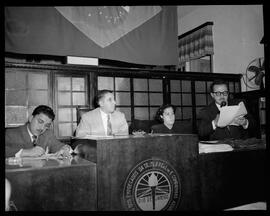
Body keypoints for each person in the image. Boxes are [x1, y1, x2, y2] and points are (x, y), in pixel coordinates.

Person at [5, 105, 71, 158]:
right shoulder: (11, 133)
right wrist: (25, 152)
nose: (42, 128)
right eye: (40, 122)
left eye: (47, 125)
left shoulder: (48, 134)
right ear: (31, 118)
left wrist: (65, 149)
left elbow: (60, 146)